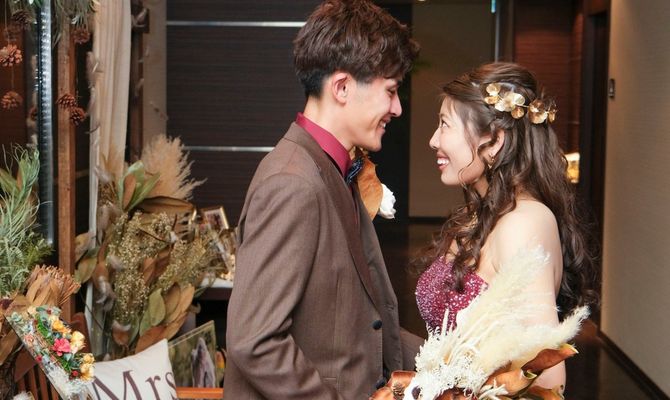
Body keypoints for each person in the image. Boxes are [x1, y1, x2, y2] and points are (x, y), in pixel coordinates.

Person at [225, 1, 421, 399]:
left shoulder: (330, 169)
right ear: (342, 87)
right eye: (391, 91)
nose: (397, 108)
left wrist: (458, 360)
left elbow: (357, 322)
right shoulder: (292, 183)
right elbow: (255, 341)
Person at [414, 62, 598, 391]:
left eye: (445, 125)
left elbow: (547, 377)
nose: (433, 140)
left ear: (495, 140)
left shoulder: (523, 223)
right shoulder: (481, 214)